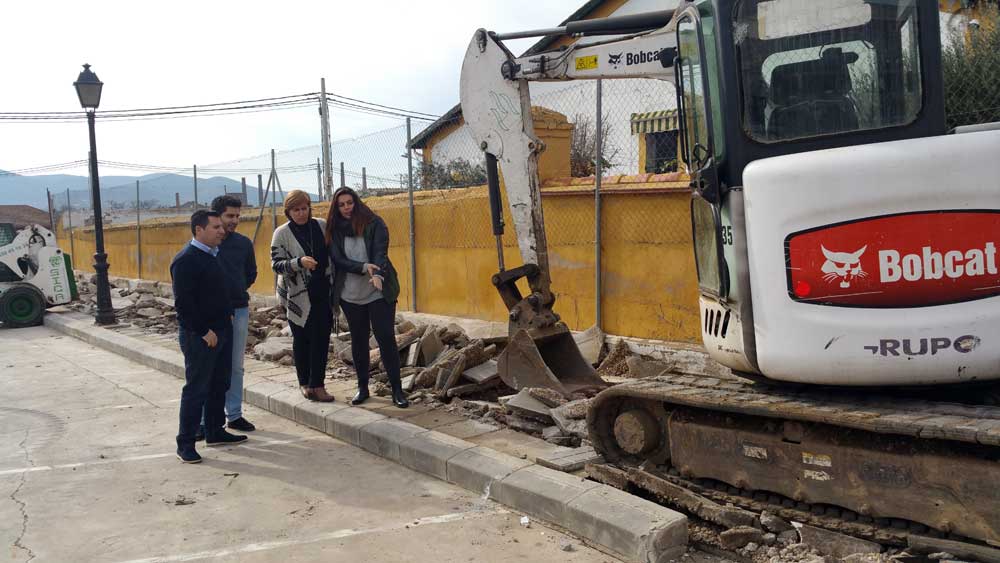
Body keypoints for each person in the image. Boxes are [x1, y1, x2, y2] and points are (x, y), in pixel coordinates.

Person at [171, 210, 248, 464]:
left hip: (222, 331)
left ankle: (215, 431)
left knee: (219, 383)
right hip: (201, 336)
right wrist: (204, 332)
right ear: (198, 230)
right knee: (196, 388)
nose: (221, 230)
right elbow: (184, 306)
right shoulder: (186, 260)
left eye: (220, 227)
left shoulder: (212, 255)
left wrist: (225, 318)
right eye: (215, 227)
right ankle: (186, 443)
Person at [325, 186, 408, 408]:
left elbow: (381, 252)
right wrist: (363, 267)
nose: (346, 208)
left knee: (385, 338)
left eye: (349, 203)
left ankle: (397, 391)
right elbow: (338, 259)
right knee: (359, 340)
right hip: (350, 294)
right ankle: (362, 388)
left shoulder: (374, 223)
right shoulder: (334, 228)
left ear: (356, 202)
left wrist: (378, 273)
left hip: (378, 290)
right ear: (336, 207)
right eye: (341, 204)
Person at [271, 190, 335, 402]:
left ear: (309, 207)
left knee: (321, 339)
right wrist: (299, 263)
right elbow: (276, 264)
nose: (301, 213)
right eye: (296, 210)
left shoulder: (321, 225)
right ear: (288, 211)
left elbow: (332, 253)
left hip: (322, 291)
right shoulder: (282, 233)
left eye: (304, 208)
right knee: (302, 340)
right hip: (297, 294)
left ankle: (318, 385)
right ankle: (304, 383)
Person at [203, 194, 258, 434]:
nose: (234, 220)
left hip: (239, 310)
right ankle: (206, 420)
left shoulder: (243, 244)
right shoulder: (205, 244)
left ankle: (234, 414)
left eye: (238, 216)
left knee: (236, 365)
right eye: (229, 216)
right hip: (211, 314)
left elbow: (251, 274)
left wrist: (234, 291)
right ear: (216, 216)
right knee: (209, 366)